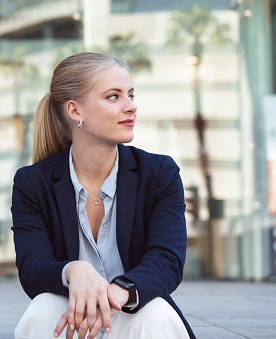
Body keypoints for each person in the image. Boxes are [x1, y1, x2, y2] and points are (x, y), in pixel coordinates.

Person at [11, 52, 196, 339]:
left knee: (157, 313)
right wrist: (74, 271)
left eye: (131, 95)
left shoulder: (159, 173)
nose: (131, 106)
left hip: (133, 311)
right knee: (43, 308)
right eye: (114, 97)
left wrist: (119, 291)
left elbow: (167, 259)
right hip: (72, 316)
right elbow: (33, 268)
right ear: (75, 111)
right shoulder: (33, 182)